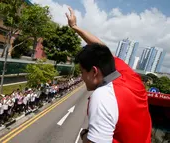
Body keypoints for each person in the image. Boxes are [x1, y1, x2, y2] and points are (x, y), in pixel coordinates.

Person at [65, 7, 151, 143]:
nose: (81, 77)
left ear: (94, 71)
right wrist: (75, 27)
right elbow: (103, 50)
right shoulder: (130, 76)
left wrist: (85, 136)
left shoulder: (103, 97)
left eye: (82, 72)